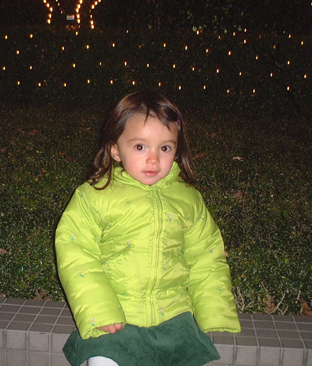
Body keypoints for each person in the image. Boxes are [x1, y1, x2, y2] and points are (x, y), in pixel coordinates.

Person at [55, 91, 241, 366]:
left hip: (175, 317)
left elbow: (206, 254)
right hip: (116, 317)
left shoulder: (188, 200)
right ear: (115, 149)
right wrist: (99, 309)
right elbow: (76, 251)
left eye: (164, 148)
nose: (153, 159)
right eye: (140, 147)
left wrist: (212, 309)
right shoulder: (94, 196)